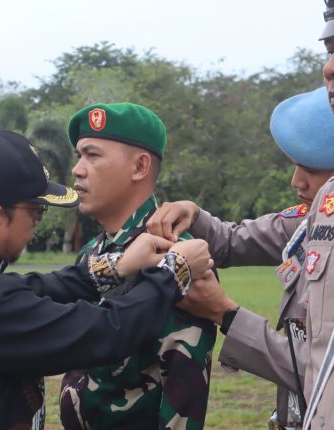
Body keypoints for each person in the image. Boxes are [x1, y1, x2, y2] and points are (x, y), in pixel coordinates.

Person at [165, 2, 334, 428]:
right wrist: (192, 213)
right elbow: (324, 368)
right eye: (331, 50)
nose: (331, 68)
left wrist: (228, 314)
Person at [0, 129, 217, 430]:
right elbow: (106, 332)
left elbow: (28, 289)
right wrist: (174, 271)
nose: (37, 223)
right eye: (36, 211)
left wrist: (117, 265)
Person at [147, 87, 334, 429]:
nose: (296, 181)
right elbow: (232, 241)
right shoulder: (313, 220)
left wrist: (225, 313)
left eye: (312, 169)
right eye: (296, 166)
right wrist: (193, 213)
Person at [59, 102, 216, 430]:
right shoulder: (92, 252)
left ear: (140, 167)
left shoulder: (175, 255)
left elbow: (182, 394)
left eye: (92, 155)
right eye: (79, 156)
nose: (77, 169)